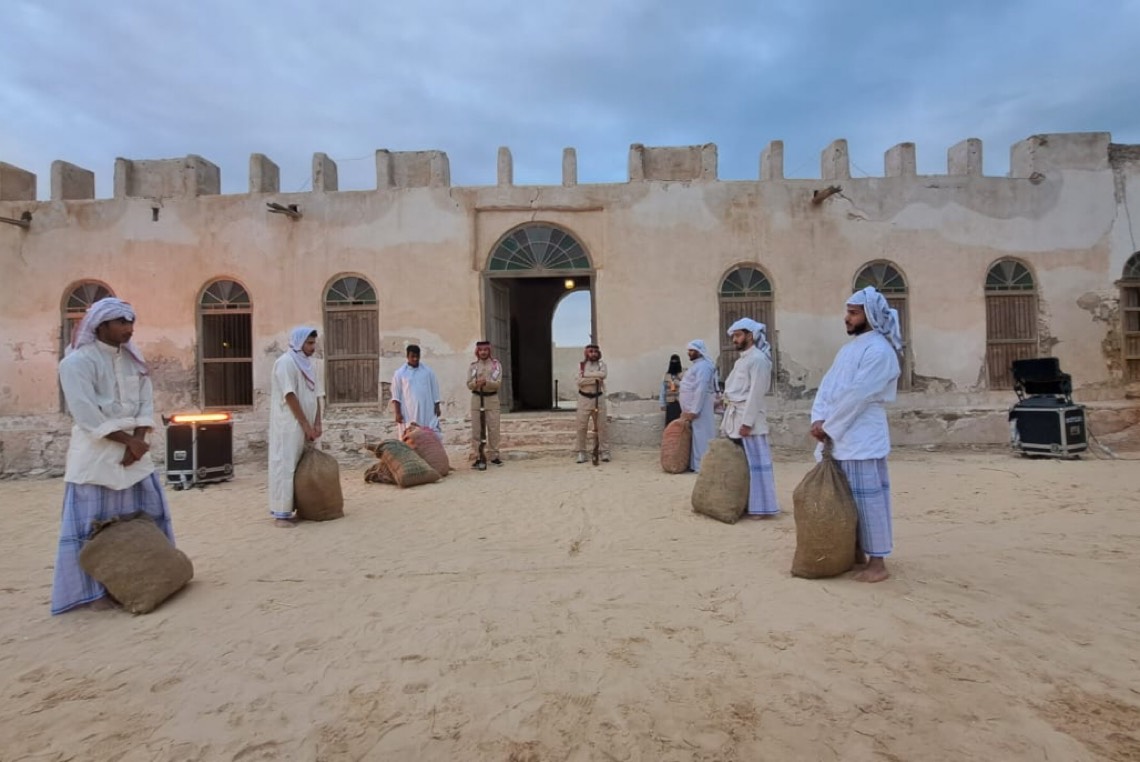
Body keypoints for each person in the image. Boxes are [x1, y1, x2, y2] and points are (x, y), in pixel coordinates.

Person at [51, 297, 176, 614]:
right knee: (92, 530)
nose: (128, 328)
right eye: (121, 322)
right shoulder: (76, 363)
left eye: (131, 322)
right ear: (101, 325)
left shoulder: (134, 361)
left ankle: (145, 582)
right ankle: (93, 594)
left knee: (143, 518)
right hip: (97, 457)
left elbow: (146, 404)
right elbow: (86, 414)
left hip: (134, 458)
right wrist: (128, 442)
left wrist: (138, 442)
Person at [810, 286, 901, 583]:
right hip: (838, 434)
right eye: (847, 312)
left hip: (862, 437)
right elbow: (827, 387)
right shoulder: (848, 350)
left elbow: (858, 395)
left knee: (868, 501)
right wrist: (818, 418)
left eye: (853, 313)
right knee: (844, 502)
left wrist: (828, 426)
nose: (846, 318)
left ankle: (878, 563)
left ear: (869, 315)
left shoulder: (880, 351)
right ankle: (854, 553)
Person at [720, 318, 780, 518]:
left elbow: (756, 394)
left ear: (750, 336)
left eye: (738, 335)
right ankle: (743, 503)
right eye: (733, 336)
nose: (734, 340)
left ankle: (761, 507)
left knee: (756, 466)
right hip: (735, 417)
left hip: (749, 422)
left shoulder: (758, 360)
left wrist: (747, 423)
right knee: (740, 466)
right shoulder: (742, 360)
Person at [268, 326, 325, 527]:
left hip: (307, 425)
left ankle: (302, 507)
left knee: (305, 466)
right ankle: (281, 514)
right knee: (286, 466)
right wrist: (304, 424)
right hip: (289, 425)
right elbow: (290, 395)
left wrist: (317, 422)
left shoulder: (310, 365)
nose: (312, 347)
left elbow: (316, 395)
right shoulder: (285, 363)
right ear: (299, 343)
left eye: (313, 343)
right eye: (309, 343)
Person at [678, 339, 718, 473]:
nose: (689, 353)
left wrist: (694, 410)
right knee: (695, 435)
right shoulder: (696, 366)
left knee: (702, 435)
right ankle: (695, 465)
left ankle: (703, 466)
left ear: (699, 351)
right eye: (688, 350)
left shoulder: (704, 367)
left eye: (692, 350)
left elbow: (701, 389)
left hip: (700, 407)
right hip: (693, 408)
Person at [391, 344, 441, 437]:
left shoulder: (428, 372)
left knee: (427, 435)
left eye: (417, 356)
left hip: (426, 410)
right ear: (407, 357)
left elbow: (435, 389)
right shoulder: (400, 373)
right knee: (409, 437)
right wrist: (397, 413)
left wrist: (437, 406)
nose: (415, 359)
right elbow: (396, 395)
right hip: (408, 412)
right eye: (412, 356)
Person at [467, 340, 503, 469]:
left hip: (491, 399)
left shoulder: (495, 365)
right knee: (477, 430)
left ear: (489, 351)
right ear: (477, 352)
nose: (483, 352)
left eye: (485, 350)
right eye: (481, 350)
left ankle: (494, 456)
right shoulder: (473, 366)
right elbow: (469, 384)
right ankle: (479, 456)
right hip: (477, 399)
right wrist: (476, 383)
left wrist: (486, 382)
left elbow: (497, 383)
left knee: (493, 429)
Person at [575, 343, 610, 463]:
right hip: (584, 399)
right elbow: (579, 381)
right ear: (586, 353)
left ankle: (604, 451)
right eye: (591, 351)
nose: (593, 354)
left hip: (598, 399)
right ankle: (581, 452)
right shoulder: (581, 365)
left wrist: (586, 376)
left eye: (595, 352)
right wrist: (595, 379)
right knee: (581, 427)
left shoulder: (601, 365)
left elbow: (603, 375)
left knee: (601, 426)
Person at [659, 354, 684, 426]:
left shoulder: (683, 375)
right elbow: (662, 390)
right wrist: (662, 403)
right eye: (673, 361)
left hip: (681, 404)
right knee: (670, 424)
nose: (674, 363)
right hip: (670, 404)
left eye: (676, 361)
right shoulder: (666, 376)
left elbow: (687, 388)